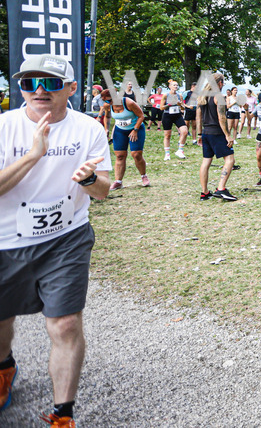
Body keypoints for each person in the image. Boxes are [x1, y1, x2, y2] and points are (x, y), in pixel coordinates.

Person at [0, 53, 112, 428]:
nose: (38, 90)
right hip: (6, 242)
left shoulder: (89, 129)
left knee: (65, 324)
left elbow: (103, 192)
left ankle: (63, 414)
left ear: (71, 88)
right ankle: (4, 369)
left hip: (67, 238)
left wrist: (88, 181)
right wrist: (34, 156)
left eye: (49, 82)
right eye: (29, 83)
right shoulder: (4, 127)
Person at [197, 73, 237, 202]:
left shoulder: (203, 96)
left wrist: (199, 134)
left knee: (206, 162)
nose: (223, 84)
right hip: (217, 132)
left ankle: (204, 192)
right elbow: (222, 117)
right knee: (230, 159)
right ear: (219, 83)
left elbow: (198, 117)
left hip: (206, 132)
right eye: (223, 82)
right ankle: (221, 188)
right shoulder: (218, 96)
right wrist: (228, 135)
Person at [106, 89, 149, 190]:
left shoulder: (128, 102)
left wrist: (135, 130)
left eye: (109, 100)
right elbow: (107, 117)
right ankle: (118, 181)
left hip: (135, 129)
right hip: (120, 131)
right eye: (106, 101)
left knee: (136, 154)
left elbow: (141, 116)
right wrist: (106, 129)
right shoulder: (108, 105)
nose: (107, 103)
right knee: (120, 156)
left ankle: (144, 176)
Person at [160, 80, 188, 161]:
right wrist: (169, 104)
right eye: (174, 85)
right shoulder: (166, 95)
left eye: (176, 85)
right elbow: (161, 107)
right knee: (167, 135)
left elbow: (183, 108)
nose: (176, 86)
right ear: (170, 86)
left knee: (184, 131)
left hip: (177, 115)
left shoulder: (180, 96)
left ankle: (180, 150)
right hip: (167, 115)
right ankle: (167, 154)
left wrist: (180, 105)